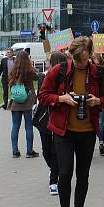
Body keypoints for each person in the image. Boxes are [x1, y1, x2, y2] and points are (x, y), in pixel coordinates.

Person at [38, 37, 104, 207]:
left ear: (90, 54)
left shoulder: (98, 73)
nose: (80, 63)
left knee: (83, 175)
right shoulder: (59, 71)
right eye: (76, 59)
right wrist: (61, 98)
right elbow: (43, 95)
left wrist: (97, 101)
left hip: (87, 131)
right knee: (65, 173)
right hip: (63, 131)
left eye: (83, 59)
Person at [35, 51, 67, 194]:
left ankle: (54, 180)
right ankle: (54, 169)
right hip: (44, 117)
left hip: (60, 116)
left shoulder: (66, 76)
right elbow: (42, 96)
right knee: (46, 150)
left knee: (56, 150)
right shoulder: (44, 76)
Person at [6, 51, 39, 159]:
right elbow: (37, 77)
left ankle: (15, 151)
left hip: (15, 102)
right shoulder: (29, 71)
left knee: (15, 126)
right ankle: (29, 151)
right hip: (27, 102)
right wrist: (31, 66)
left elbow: (9, 82)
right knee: (28, 126)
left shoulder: (12, 71)